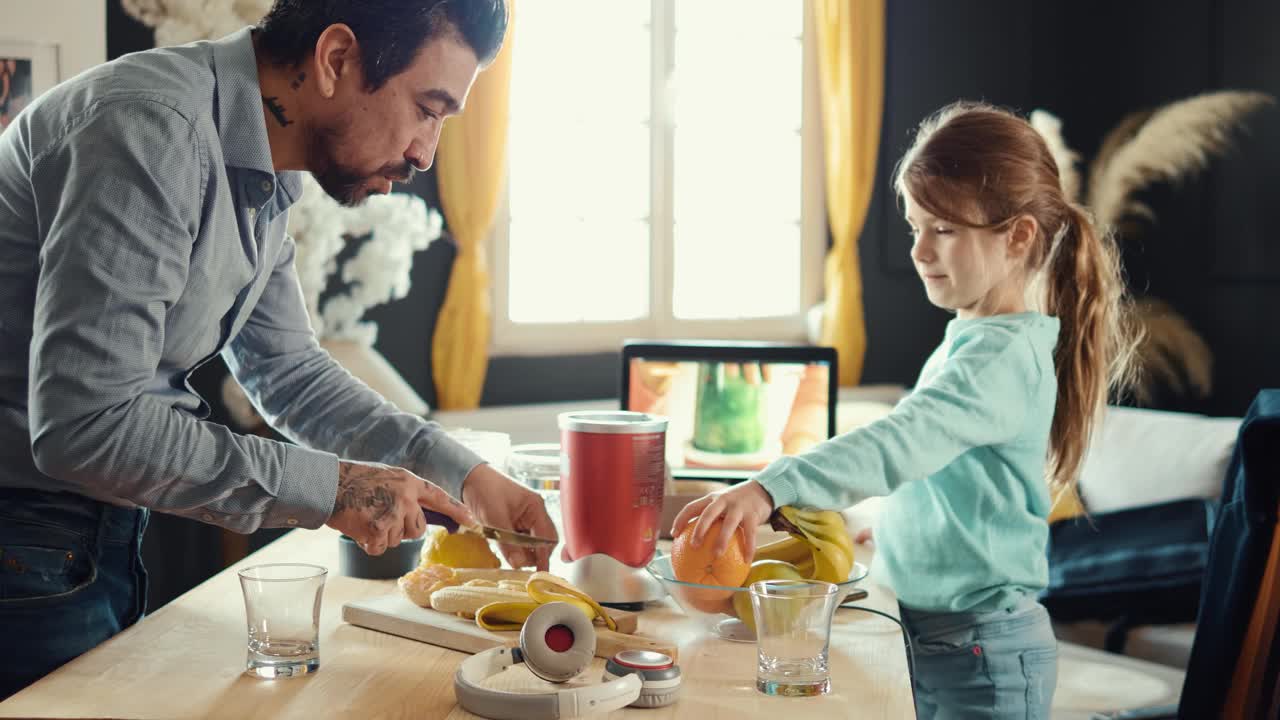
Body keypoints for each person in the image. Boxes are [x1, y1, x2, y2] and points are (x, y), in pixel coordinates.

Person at [0, 0, 554, 700]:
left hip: (90, 535)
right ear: (335, 60)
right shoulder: (152, 130)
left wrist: (468, 476)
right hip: (22, 541)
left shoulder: (262, 164)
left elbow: (290, 373)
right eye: (427, 108)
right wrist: (335, 489)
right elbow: (86, 426)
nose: (425, 153)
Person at [674, 101, 1139, 719]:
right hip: (944, 639)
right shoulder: (973, 336)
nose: (920, 250)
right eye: (916, 227)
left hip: (985, 655)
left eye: (944, 230)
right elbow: (947, 466)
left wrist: (771, 487)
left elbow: (905, 438)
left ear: (1018, 235)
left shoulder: (999, 357)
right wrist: (895, 525)